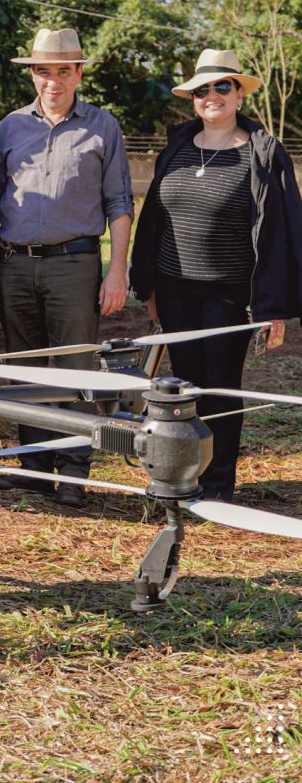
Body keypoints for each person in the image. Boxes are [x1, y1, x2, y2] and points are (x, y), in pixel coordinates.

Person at [130, 49, 302, 502]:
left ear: (239, 94)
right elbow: (154, 218)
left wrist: (274, 305)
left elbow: (283, 232)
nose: (212, 96)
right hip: (174, 286)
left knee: (220, 385)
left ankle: (219, 483)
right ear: (193, 100)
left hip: (229, 292)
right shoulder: (178, 146)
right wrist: (146, 283)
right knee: (184, 384)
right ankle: (185, 474)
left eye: (222, 86)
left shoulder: (263, 154)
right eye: (202, 89)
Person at [0, 27, 133, 507]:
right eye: (43, 71)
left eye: (63, 71)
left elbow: (119, 202)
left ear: (78, 73)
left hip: (75, 263)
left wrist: (117, 271)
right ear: (32, 74)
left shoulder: (102, 126)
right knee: (24, 367)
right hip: (14, 264)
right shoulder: (10, 127)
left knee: (73, 366)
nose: (53, 80)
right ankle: (34, 465)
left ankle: (73, 468)